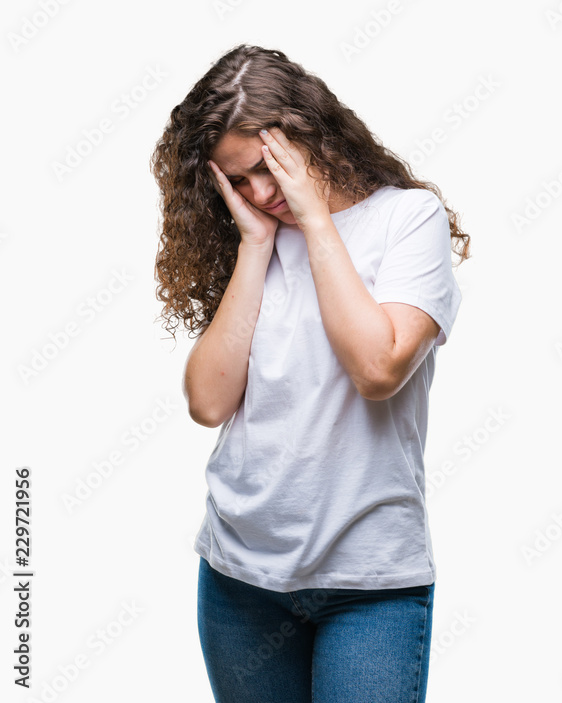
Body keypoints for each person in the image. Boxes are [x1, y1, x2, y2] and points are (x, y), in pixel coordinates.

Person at [149, 44, 470, 703]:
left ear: (309, 131)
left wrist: (317, 219)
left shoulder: (408, 221)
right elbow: (210, 401)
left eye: (267, 168)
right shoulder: (256, 238)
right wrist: (257, 247)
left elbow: (377, 368)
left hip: (370, 585)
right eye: (238, 181)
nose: (261, 194)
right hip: (241, 580)